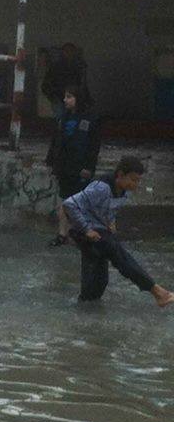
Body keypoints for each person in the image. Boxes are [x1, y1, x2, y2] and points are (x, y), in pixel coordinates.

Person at [63, 156, 174, 307]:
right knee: (120, 255)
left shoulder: (124, 191)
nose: (136, 184)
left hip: (100, 232)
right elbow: (69, 204)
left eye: (138, 181)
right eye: (133, 180)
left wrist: (111, 221)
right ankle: (158, 292)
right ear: (120, 175)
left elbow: (108, 209)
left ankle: (85, 312)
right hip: (85, 232)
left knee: (99, 281)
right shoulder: (101, 188)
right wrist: (86, 229)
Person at [46, 84, 100, 247]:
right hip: (64, 166)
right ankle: (63, 233)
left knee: (78, 202)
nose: (65, 100)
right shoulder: (63, 118)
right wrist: (50, 162)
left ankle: (76, 233)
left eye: (69, 97)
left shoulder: (90, 120)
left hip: (80, 168)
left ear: (78, 99)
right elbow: (55, 141)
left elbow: (93, 147)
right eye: (65, 96)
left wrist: (89, 167)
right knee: (65, 200)